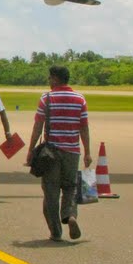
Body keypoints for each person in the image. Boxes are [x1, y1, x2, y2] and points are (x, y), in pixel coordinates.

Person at [25, 66, 92, 242]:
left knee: (50, 192)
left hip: (51, 153)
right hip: (72, 152)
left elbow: (38, 127)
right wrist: (87, 152)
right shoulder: (79, 98)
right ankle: (70, 216)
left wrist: (31, 150)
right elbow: (83, 127)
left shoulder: (47, 98)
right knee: (70, 188)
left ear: (55, 78)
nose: (48, 81)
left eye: (50, 78)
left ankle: (55, 232)